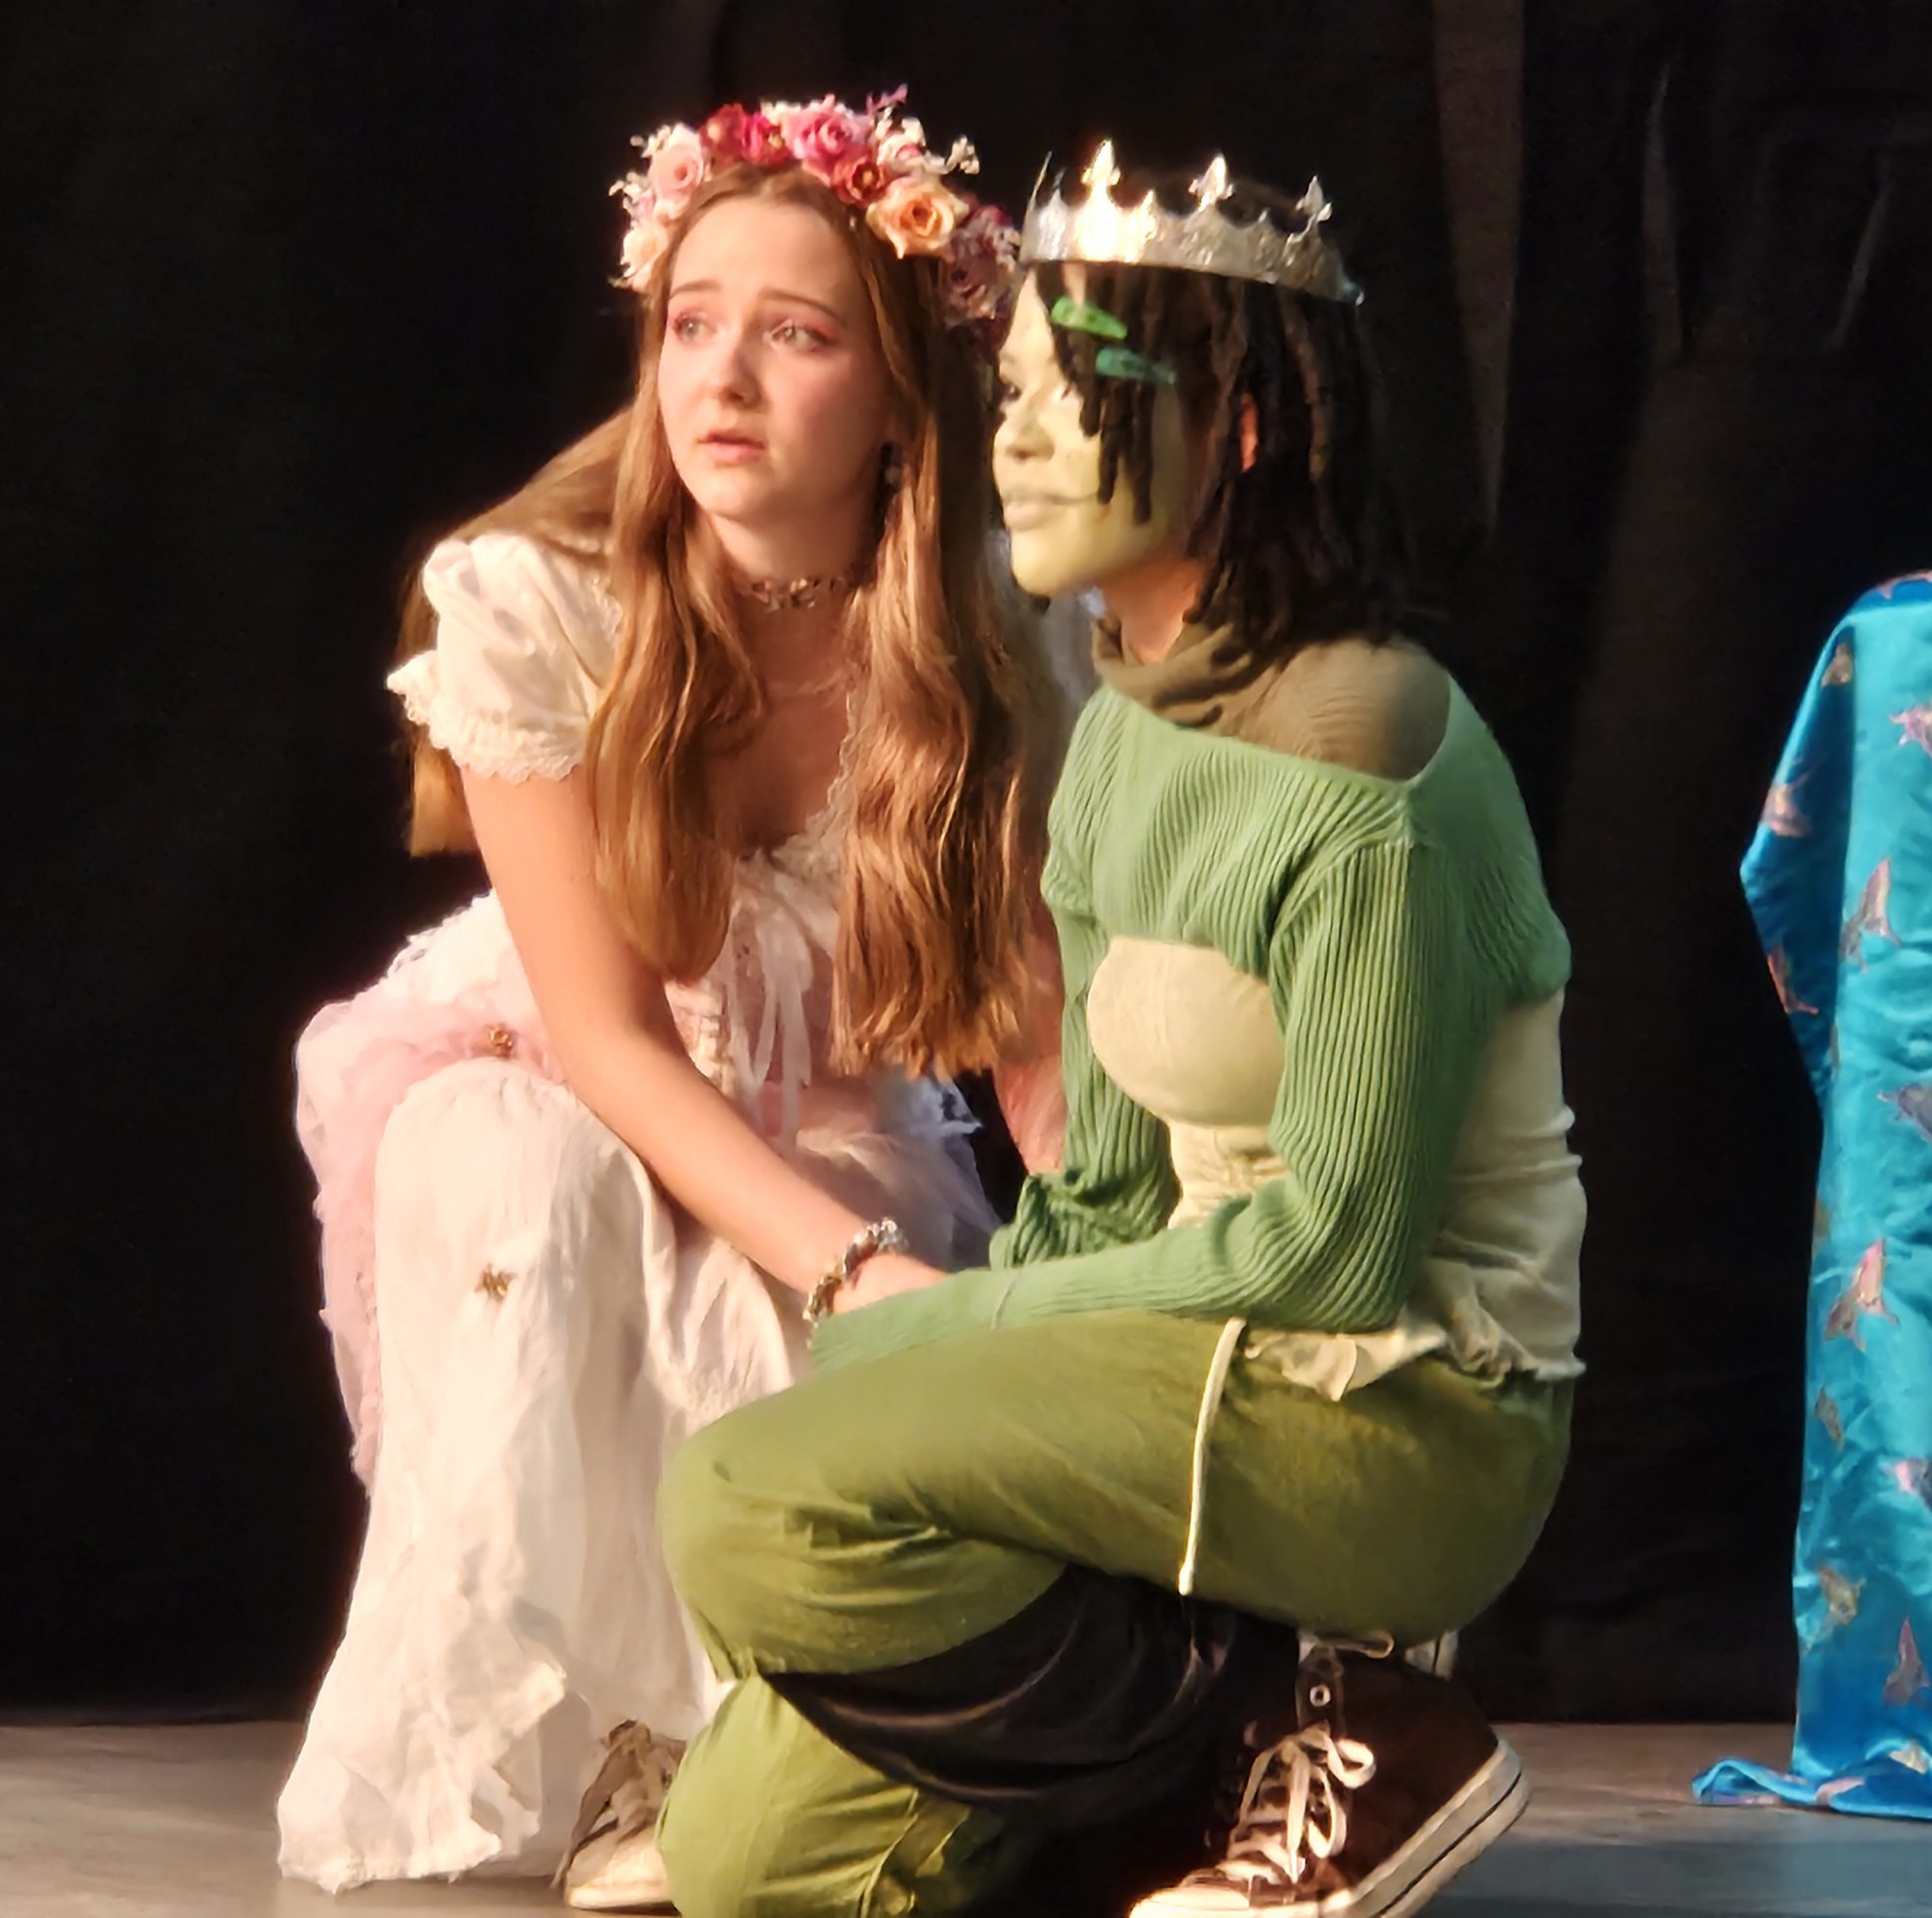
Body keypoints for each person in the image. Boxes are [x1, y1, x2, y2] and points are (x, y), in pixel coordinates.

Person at [653, 146, 1586, 1918]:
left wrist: (965, 1322)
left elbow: (1335, 1251)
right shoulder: (1122, 730)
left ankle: (1358, 1722)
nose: (1008, 439)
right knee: (749, 1867)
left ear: (1240, 428)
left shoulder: (1363, 745)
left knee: (743, 1503)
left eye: (1067, 394)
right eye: (1004, 391)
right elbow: (1109, 1183)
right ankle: (1230, 1757)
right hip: (1188, 1378)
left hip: (1393, 1411)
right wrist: (964, 1346)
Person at [275, 92, 1060, 1910]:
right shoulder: (542, 601)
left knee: (839, 1330)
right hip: (554, 1070)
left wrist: (1127, 1282)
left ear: (900, 398)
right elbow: (612, 1044)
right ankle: (609, 1734)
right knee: (532, 1178)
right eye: (692, 324)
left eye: (796, 336)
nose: (724, 378)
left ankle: (739, 1758)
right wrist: (855, 1275)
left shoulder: (983, 629)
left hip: (819, 1108)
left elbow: (1032, 1027)